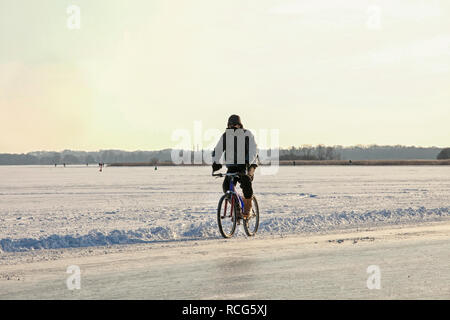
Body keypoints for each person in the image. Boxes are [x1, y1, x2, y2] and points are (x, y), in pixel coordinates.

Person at [212, 115, 258, 219]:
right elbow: (218, 149)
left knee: (246, 181)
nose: (232, 127)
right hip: (234, 165)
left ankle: (248, 208)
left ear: (240, 125)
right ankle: (237, 207)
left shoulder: (247, 134)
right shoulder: (226, 136)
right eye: (230, 125)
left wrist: (247, 162)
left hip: (249, 163)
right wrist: (215, 161)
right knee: (226, 186)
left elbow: (253, 150)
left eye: (235, 125)